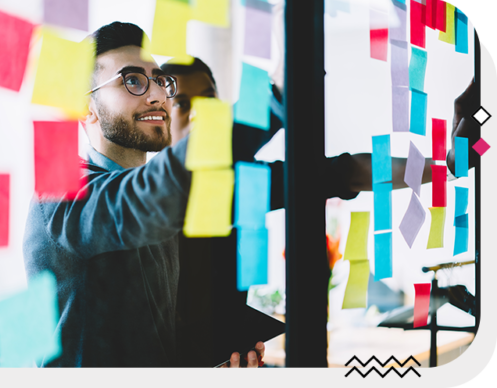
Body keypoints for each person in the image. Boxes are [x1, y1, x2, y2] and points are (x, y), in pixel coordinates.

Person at [160, 55, 479, 366]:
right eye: (183, 104)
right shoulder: (133, 201)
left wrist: (447, 166)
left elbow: (346, 172)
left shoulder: (236, 185)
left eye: (209, 102)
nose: (201, 116)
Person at [22, 21, 264, 368]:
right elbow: (137, 200)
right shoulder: (59, 192)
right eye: (132, 80)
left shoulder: (155, 197)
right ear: (85, 107)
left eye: (159, 81)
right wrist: (274, 99)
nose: (158, 95)